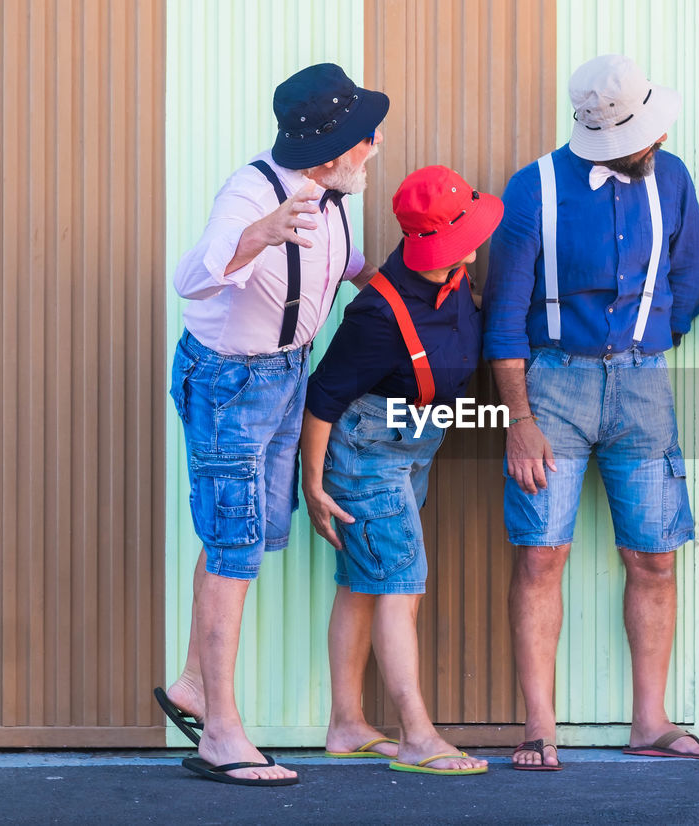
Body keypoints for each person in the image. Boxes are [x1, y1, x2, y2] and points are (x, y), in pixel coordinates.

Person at [483, 54, 699, 770]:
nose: (658, 142)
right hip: (551, 389)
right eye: (645, 134)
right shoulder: (533, 191)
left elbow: (693, 272)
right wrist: (518, 421)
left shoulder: (672, 178)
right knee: (540, 555)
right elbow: (503, 318)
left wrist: (653, 335)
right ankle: (539, 729)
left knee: (654, 558)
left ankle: (649, 724)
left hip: (643, 389)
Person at [156, 63, 388, 786]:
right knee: (233, 544)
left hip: (286, 372)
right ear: (331, 151)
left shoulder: (332, 193)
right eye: (363, 138)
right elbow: (192, 277)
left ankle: (195, 683)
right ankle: (220, 734)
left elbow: (342, 265)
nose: (375, 145)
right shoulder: (251, 193)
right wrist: (256, 235)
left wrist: (411, 294)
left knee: (249, 532)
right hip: (230, 382)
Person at [301, 166, 503, 776]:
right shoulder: (377, 315)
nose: (479, 238)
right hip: (366, 456)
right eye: (467, 229)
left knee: (365, 582)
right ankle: (417, 735)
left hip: (415, 446)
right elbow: (323, 399)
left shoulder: (456, 280)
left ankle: (345, 725)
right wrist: (313, 485)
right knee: (399, 585)